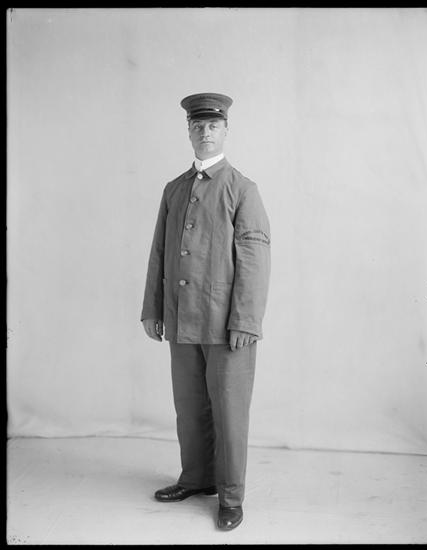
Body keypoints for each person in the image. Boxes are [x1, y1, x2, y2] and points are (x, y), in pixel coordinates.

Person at [141, 92, 271, 531]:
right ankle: (196, 478)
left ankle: (231, 497)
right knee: (190, 406)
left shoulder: (242, 189)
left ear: (226, 130)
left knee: (230, 414)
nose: (205, 132)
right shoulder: (174, 189)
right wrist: (153, 309)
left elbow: (254, 261)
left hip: (225, 325)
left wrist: (246, 321)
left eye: (213, 125)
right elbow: (159, 253)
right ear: (189, 131)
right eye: (197, 126)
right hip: (181, 320)